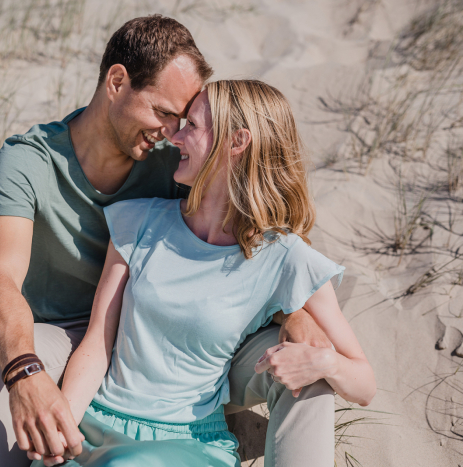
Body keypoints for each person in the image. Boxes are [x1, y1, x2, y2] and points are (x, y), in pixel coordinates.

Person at [0, 16, 334, 467]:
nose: (172, 131)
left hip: (182, 346)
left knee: (311, 371)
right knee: (5, 364)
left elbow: (252, 227)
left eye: (182, 119)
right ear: (117, 82)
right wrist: (24, 370)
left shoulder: (174, 161)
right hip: (71, 340)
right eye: (163, 112)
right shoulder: (29, 161)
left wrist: (295, 311)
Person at [30, 80, 376, 467]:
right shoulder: (138, 219)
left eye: (191, 125)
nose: (174, 137)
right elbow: (96, 344)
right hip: (98, 420)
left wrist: (325, 362)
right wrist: (65, 426)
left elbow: (365, 384)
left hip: (186, 441)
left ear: (236, 141)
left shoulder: (285, 256)